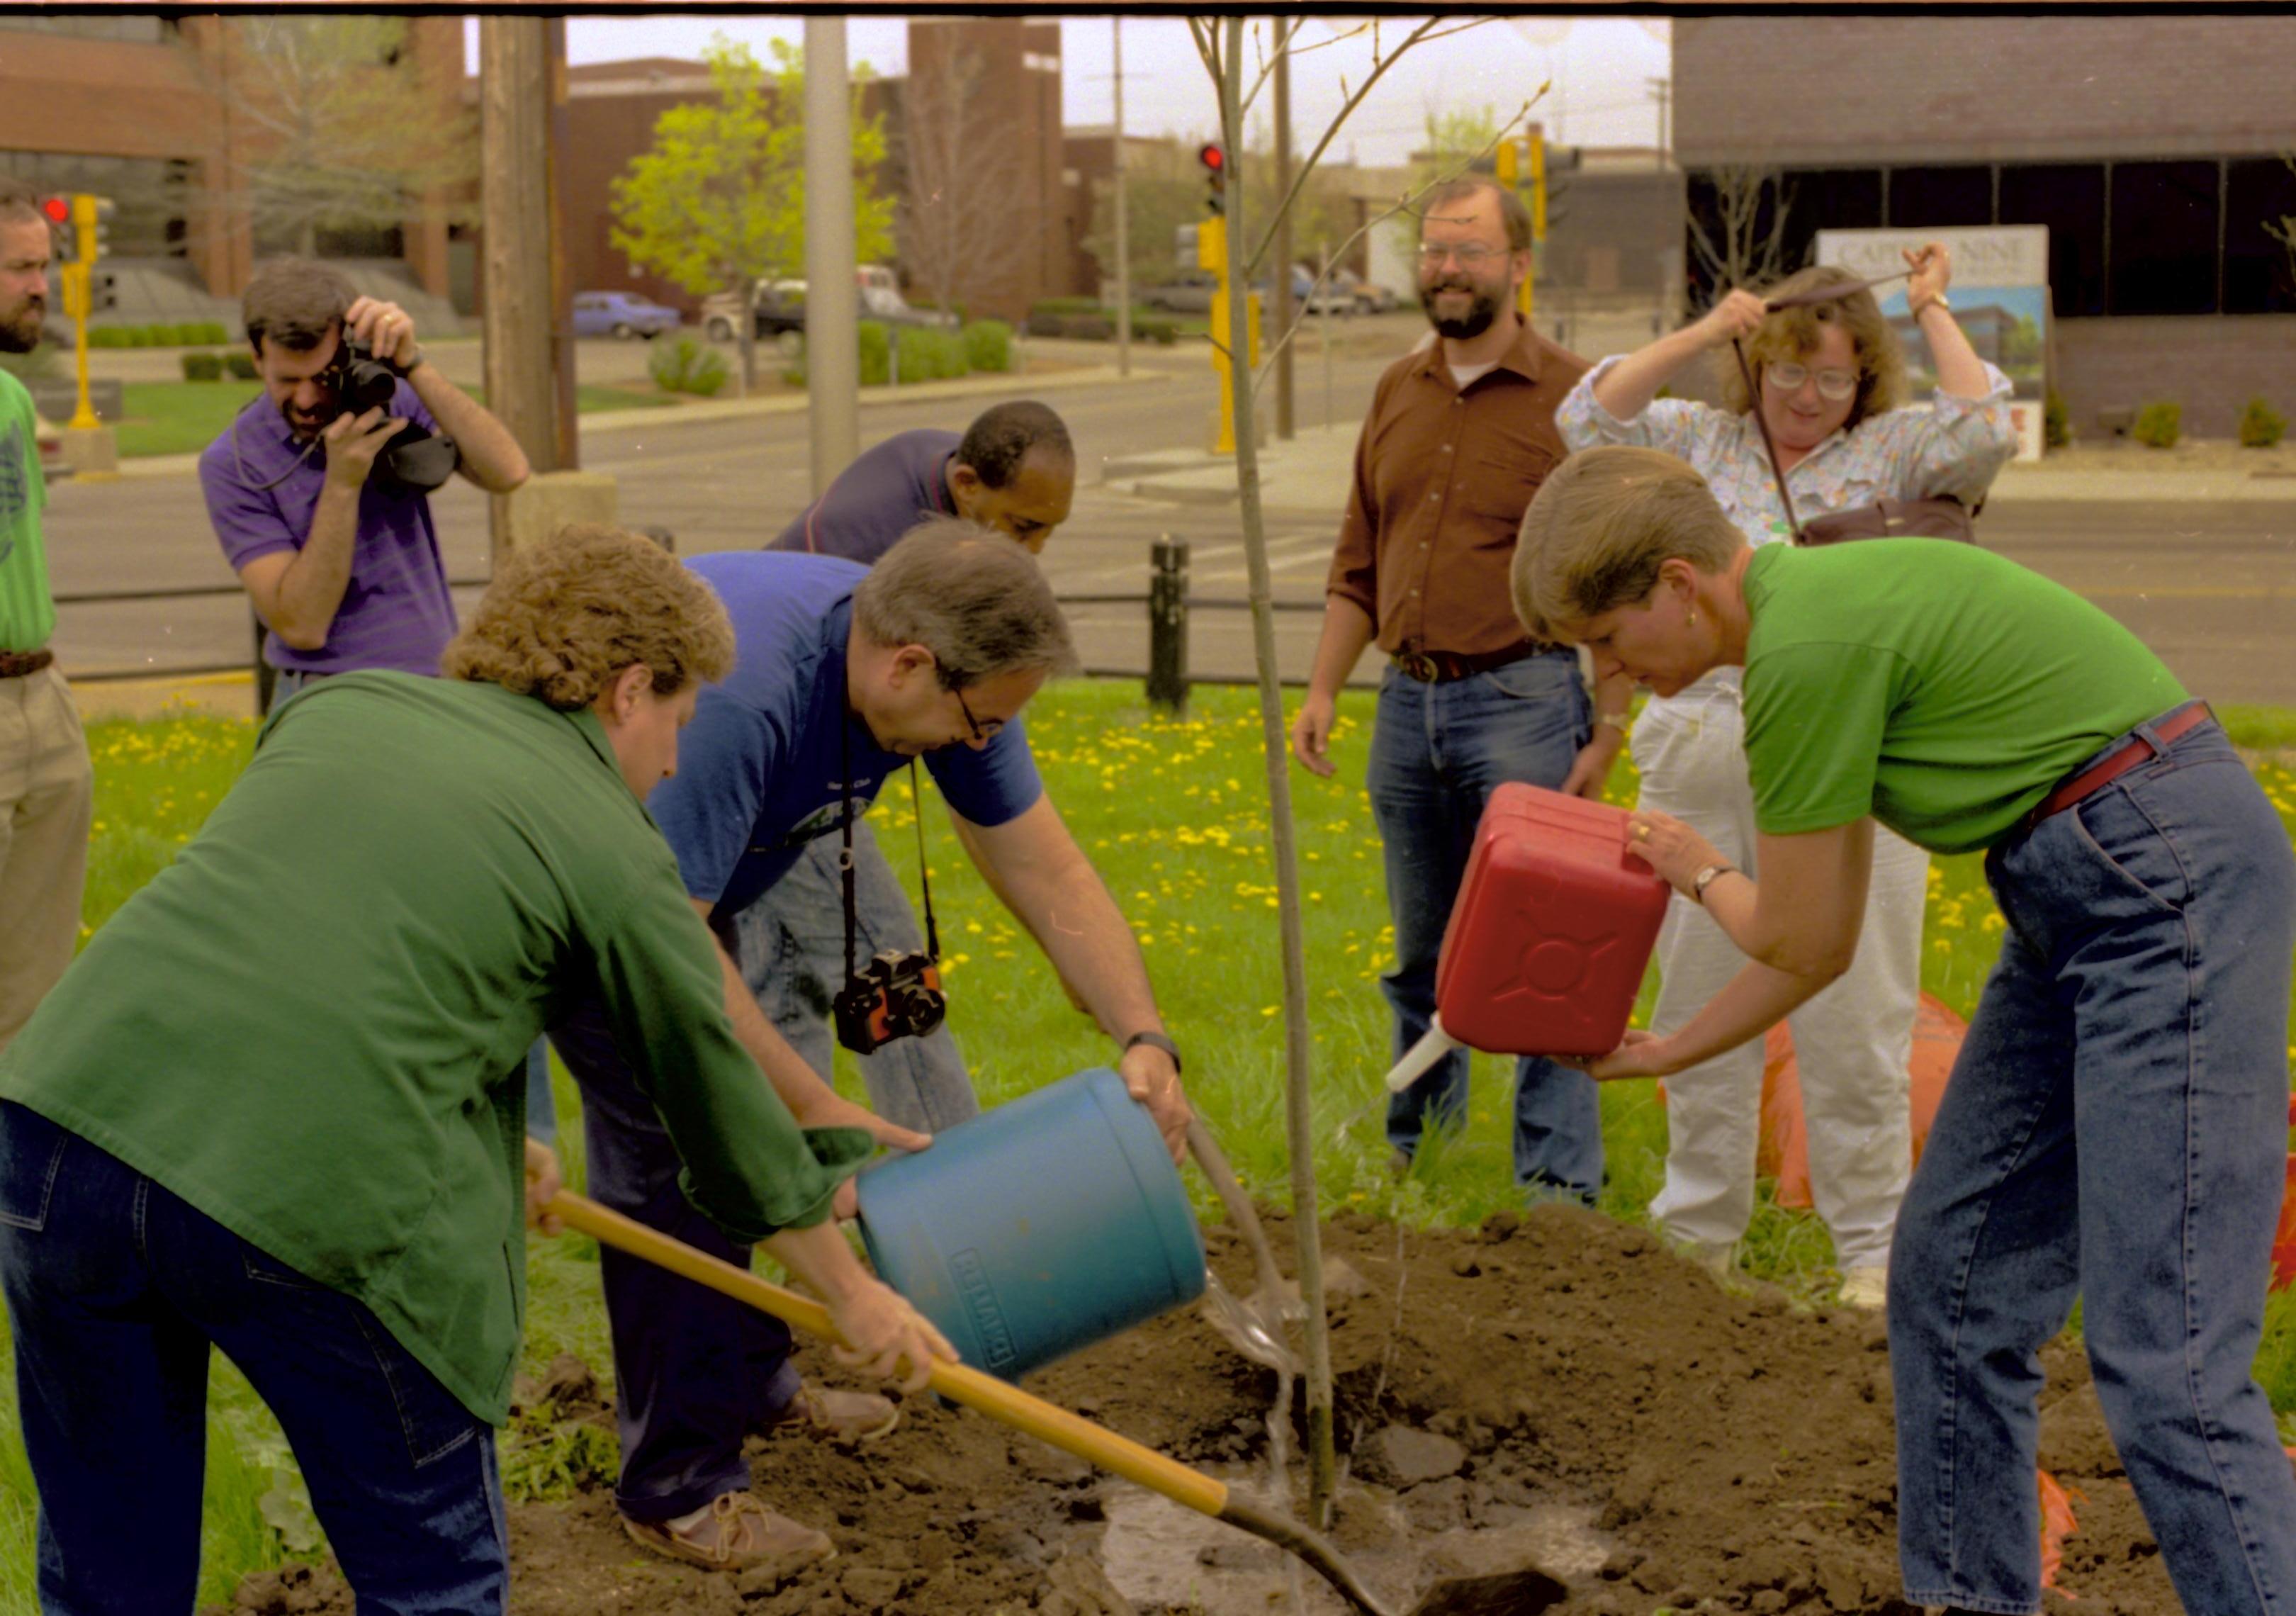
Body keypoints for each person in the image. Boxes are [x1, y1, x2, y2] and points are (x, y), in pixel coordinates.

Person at [0, 524, 952, 1613]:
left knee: (110, 1578)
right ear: (629, 691)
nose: (678, 762)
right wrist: (853, 1295)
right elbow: (713, 1103)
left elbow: (361, 957)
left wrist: (504, 1146)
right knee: (432, 1582)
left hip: (60, 1132)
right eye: (680, 723)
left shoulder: (341, 708)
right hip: (304, 1197)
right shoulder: (614, 843)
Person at [1512, 444, 2296, 1616]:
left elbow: (1797, 931)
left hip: (2156, 877)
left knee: (2168, 1360)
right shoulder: (1810, 614)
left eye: (1610, 638)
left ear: (1682, 583)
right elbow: (1816, 945)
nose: (1608, 672)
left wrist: (1696, 868)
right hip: (2079, 880)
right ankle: (1972, 1600)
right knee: (1955, 1287)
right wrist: (1664, 1052)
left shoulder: (1805, 649)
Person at [550, 516, 1191, 1570]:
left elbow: (1048, 870)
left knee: (758, 1138)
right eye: (977, 724)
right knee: (689, 1153)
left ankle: (757, 1384)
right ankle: (676, 1486)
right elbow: (670, 949)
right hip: (592, 897)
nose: (981, 745)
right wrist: (808, 1102)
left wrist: (1145, 1033)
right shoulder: (741, 698)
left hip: (697, 897)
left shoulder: (956, 670)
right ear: (909, 667)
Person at [1555, 249, 2018, 1305]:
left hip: (1855, 745)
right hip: (1705, 736)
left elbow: (1989, 425)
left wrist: (1933, 306)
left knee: (1860, 1003)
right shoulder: (1696, 445)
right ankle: (1699, 1233)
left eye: (1835, 378)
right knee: (1703, 987)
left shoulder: (1891, 452)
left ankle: (1870, 1252)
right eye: (1787, 373)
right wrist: (1703, 329)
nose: (1808, 400)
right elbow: (1590, 419)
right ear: (1753, 366)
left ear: (1866, 383)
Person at [1288, 176, 1628, 1202]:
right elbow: (1360, 557)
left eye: (1469, 251)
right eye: (1433, 250)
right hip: (1405, 705)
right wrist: (1320, 693)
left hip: (1525, 701)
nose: (1447, 269)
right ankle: (1421, 1151)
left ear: (1518, 267)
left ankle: (1557, 1188)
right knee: (1422, 952)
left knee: (1541, 949)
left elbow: (1611, 575)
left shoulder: (1576, 401)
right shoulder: (1397, 390)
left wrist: (1608, 725)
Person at [755, 402, 1076, 1132]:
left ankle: (803, 1188)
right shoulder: (881, 549)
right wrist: (1050, 929)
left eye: (1049, 528)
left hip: (814, 734)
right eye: (1023, 529)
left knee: (781, 973)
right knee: (886, 959)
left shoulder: (953, 479)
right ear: (965, 484)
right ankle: (953, 1177)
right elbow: (974, 796)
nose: (1035, 555)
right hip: (779, 753)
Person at [199, 257, 531, 697]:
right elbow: (302, 626)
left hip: (433, 681)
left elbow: (508, 472)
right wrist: (342, 484)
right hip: (328, 694)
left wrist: (413, 364)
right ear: (256, 359)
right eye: (288, 379)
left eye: (323, 377)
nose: (306, 398)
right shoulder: (234, 462)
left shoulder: (385, 400)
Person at [0, 179, 92, 1057]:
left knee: (37, 997)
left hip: (41, 695)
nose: (42, 285)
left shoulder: (14, 401)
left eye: (45, 263)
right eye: (23, 268)